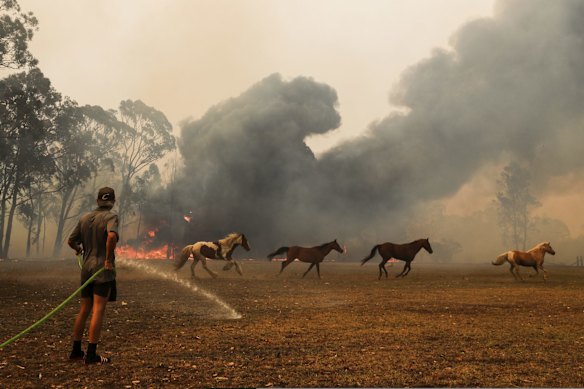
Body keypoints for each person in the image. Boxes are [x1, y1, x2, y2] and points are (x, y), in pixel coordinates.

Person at [67, 187, 119, 364]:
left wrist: (78, 249)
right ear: (112, 201)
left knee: (84, 309)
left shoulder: (84, 218)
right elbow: (111, 237)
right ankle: (91, 354)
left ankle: (75, 350)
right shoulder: (111, 217)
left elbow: (71, 241)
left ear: (98, 201)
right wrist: (108, 260)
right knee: (98, 309)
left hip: (86, 268)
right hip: (101, 270)